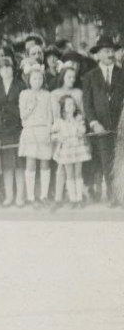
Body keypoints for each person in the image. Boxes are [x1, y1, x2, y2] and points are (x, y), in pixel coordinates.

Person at [81, 37, 123, 204]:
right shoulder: (89, 77)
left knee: (121, 160)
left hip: (121, 127)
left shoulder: (122, 73)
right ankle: (113, 196)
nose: (110, 54)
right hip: (101, 127)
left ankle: (122, 194)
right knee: (107, 162)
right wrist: (93, 123)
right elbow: (87, 103)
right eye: (106, 51)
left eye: (112, 51)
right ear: (98, 54)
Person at [0, 52, 24, 206]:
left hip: (18, 129)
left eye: (8, 68)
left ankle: (20, 196)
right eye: (2, 69)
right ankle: (9, 196)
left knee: (20, 164)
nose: (6, 71)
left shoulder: (20, 85)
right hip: (2, 130)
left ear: (13, 69)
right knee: (7, 165)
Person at [18, 61, 56, 206]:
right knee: (31, 164)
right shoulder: (24, 94)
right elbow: (23, 116)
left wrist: (49, 132)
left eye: (40, 79)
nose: (37, 81)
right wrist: (31, 106)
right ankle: (31, 197)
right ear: (29, 80)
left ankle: (44, 195)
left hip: (43, 131)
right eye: (34, 79)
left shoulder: (47, 95)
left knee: (45, 163)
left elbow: (49, 116)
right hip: (30, 131)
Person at [52, 95, 91, 207]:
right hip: (66, 149)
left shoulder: (78, 118)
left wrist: (75, 121)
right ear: (63, 107)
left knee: (78, 173)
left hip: (78, 147)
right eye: (69, 104)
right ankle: (73, 199)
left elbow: (83, 130)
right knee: (69, 174)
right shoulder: (59, 121)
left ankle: (79, 198)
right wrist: (59, 137)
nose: (72, 106)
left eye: (73, 104)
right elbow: (52, 134)